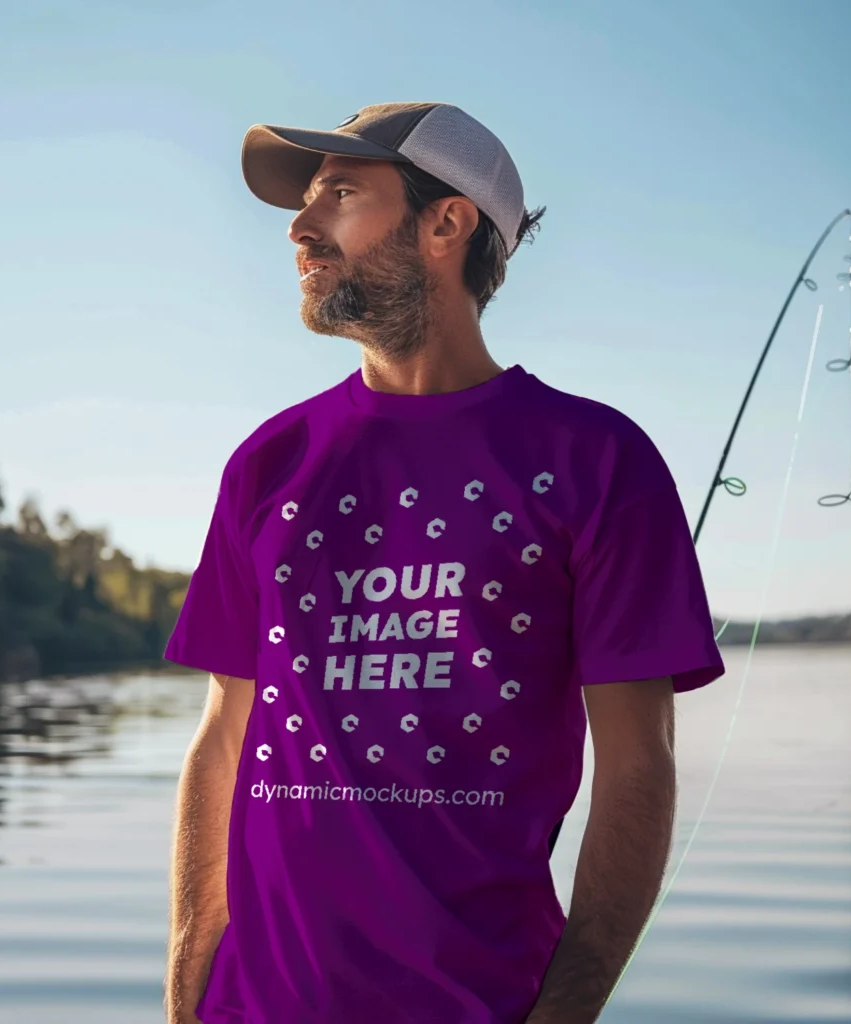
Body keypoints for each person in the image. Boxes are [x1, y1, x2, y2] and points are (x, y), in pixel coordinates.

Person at [163, 101, 725, 1024]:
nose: (301, 227)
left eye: (340, 193)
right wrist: (188, 993)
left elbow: (639, 765)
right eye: (306, 202)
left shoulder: (595, 460)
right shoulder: (268, 463)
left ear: (446, 222)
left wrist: (565, 1011)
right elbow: (226, 737)